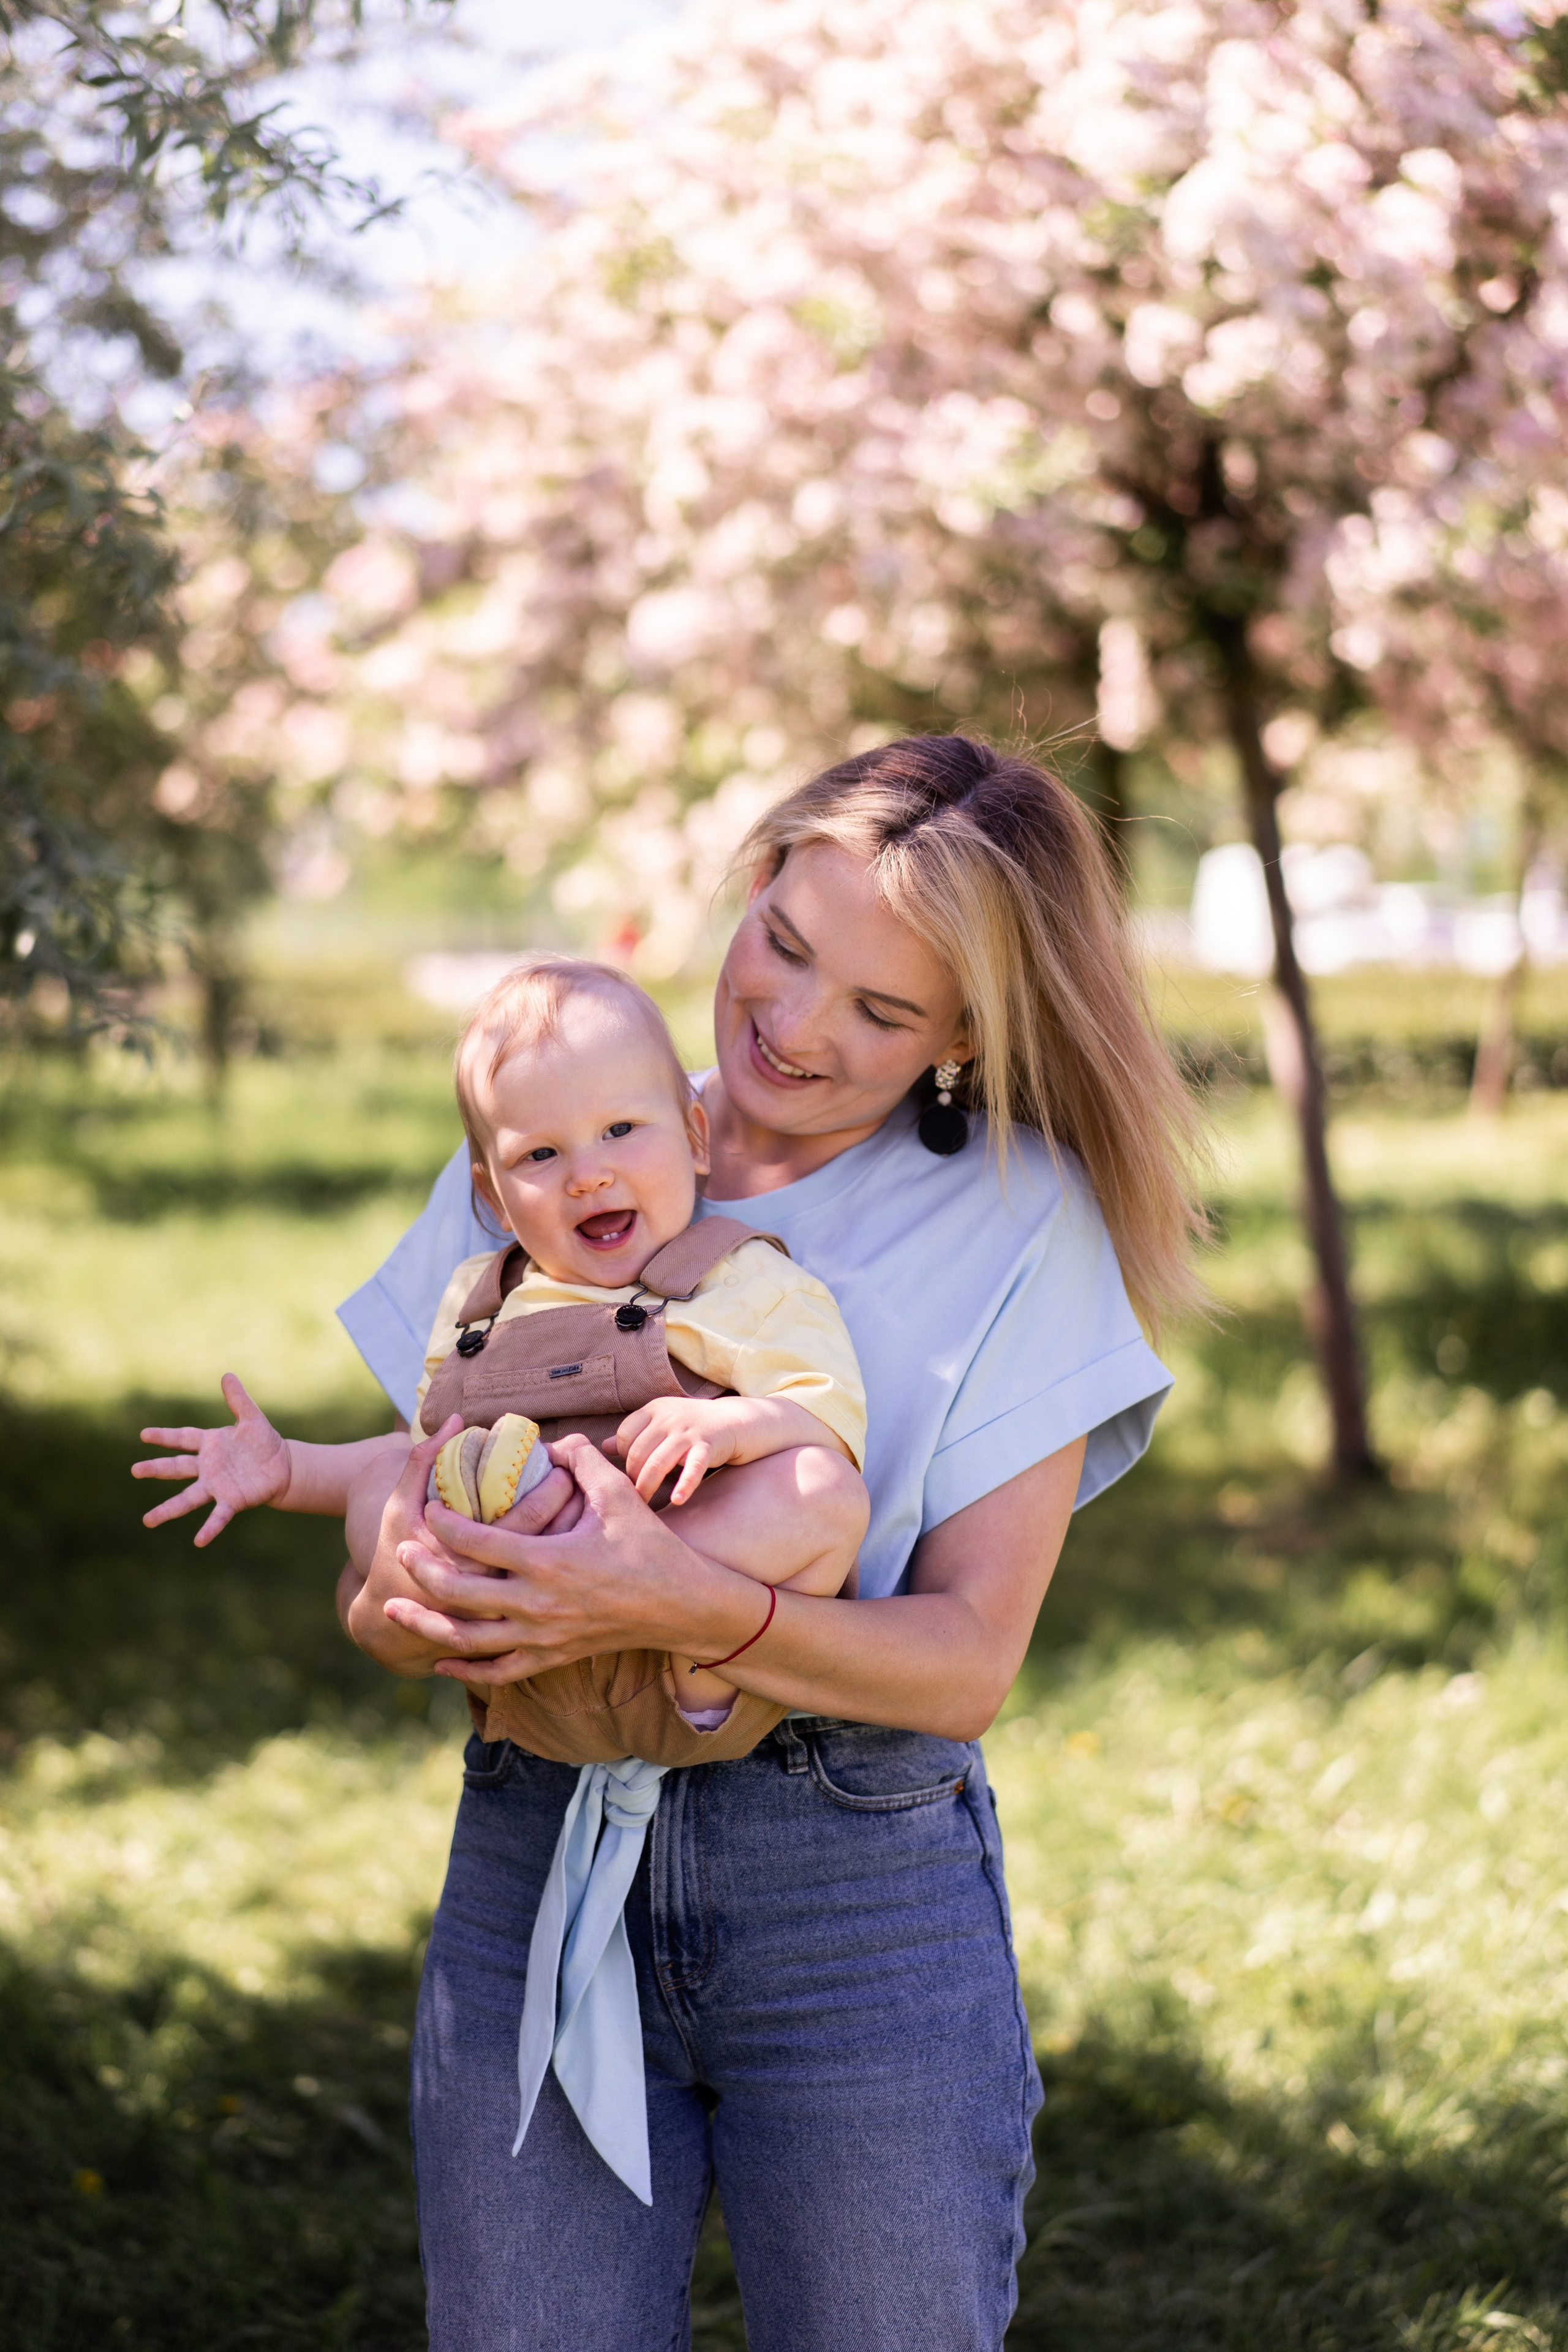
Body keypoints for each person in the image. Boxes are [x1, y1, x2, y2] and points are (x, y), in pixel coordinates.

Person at [335, 734, 1205, 2352]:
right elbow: (391, 1536)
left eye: (881, 1012)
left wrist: (689, 1602)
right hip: (537, 1857)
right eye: (787, 948)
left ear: (965, 1034)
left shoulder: (1019, 1218)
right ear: (750, 887)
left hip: (856, 1899)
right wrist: (407, 1597)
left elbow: (964, 1665)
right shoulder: (571, 1116)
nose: (795, 1029)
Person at [133, 958, 869, 1725]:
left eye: (620, 1130)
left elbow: (830, 1417)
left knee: (823, 1491)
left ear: (693, 1137)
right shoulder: (481, 1304)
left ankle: (677, 1661)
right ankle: (473, 1602)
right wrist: (288, 1469)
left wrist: (731, 1425)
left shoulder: (742, 1281)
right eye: (540, 1155)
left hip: (674, 1642)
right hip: (515, 1635)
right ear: (493, 1196)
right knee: (391, 1469)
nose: (588, 1175)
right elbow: (426, 1453)